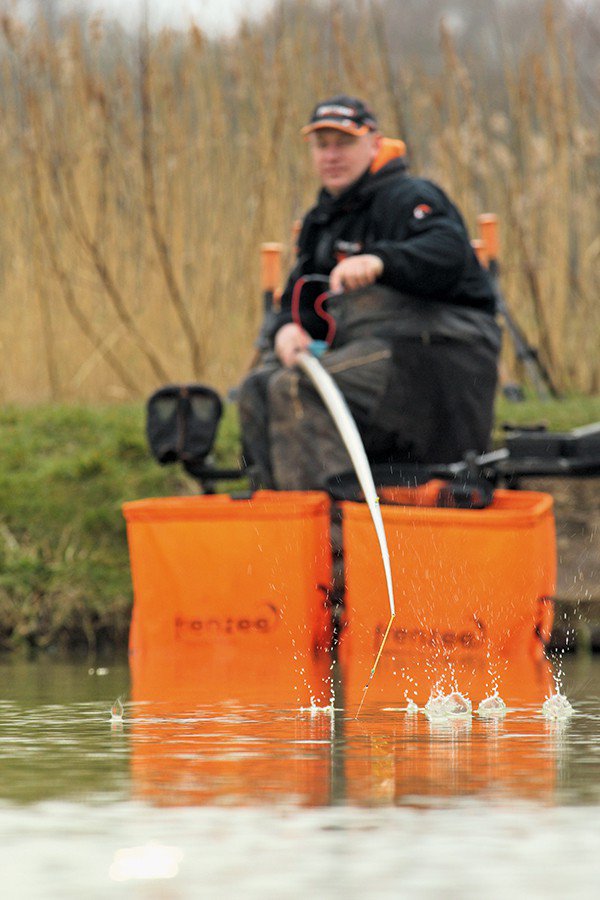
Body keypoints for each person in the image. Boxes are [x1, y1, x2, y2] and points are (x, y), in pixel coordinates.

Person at [237, 94, 501, 494]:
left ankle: (334, 535)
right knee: (258, 388)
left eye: (343, 143)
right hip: (370, 355)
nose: (331, 155)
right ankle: (280, 533)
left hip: (439, 352)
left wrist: (381, 261)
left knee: (297, 389)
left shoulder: (410, 196)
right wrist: (287, 329)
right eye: (322, 145)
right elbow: (298, 298)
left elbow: (449, 251)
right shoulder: (321, 221)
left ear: (374, 144)